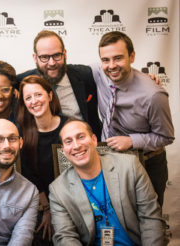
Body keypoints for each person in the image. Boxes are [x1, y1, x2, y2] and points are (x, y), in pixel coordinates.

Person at [49, 119, 167, 245]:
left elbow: (151, 218)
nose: (76, 146)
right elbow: (65, 237)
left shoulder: (129, 166)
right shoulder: (58, 190)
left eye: (81, 137)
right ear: (64, 150)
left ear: (94, 140)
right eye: (68, 141)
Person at [90, 31, 174, 206]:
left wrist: (131, 141)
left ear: (132, 56)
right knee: (117, 220)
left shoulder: (153, 95)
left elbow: (166, 136)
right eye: (106, 60)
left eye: (118, 58)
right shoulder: (99, 73)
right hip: (111, 162)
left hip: (147, 165)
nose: (111, 65)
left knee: (148, 223)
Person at [17, 30, 102, 140]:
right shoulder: (23, 82)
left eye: (57, 55)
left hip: (83, 144)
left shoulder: (85, 75)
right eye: (44, 57)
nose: (52, 63)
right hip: (44, 148)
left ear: (65, 54)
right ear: (35, 58)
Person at [18, 75, 67, 245]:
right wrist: (47, 210)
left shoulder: (69, 127)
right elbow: (31, 177)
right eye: (28, 98)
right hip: (42, 202)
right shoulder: (22, 134)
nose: (34, 101)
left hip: (72, 200)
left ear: (50, 96)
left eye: (38, 95)